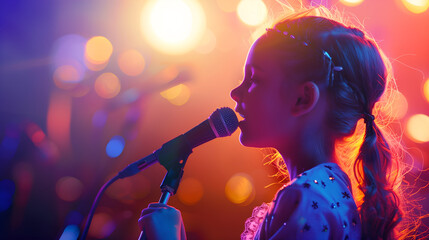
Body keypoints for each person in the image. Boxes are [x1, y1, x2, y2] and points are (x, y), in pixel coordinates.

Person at [138, 7, 408, 240]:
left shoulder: (306, 196)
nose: (236, 93)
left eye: (255, 79)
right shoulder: (330, 191)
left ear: (303, 98)